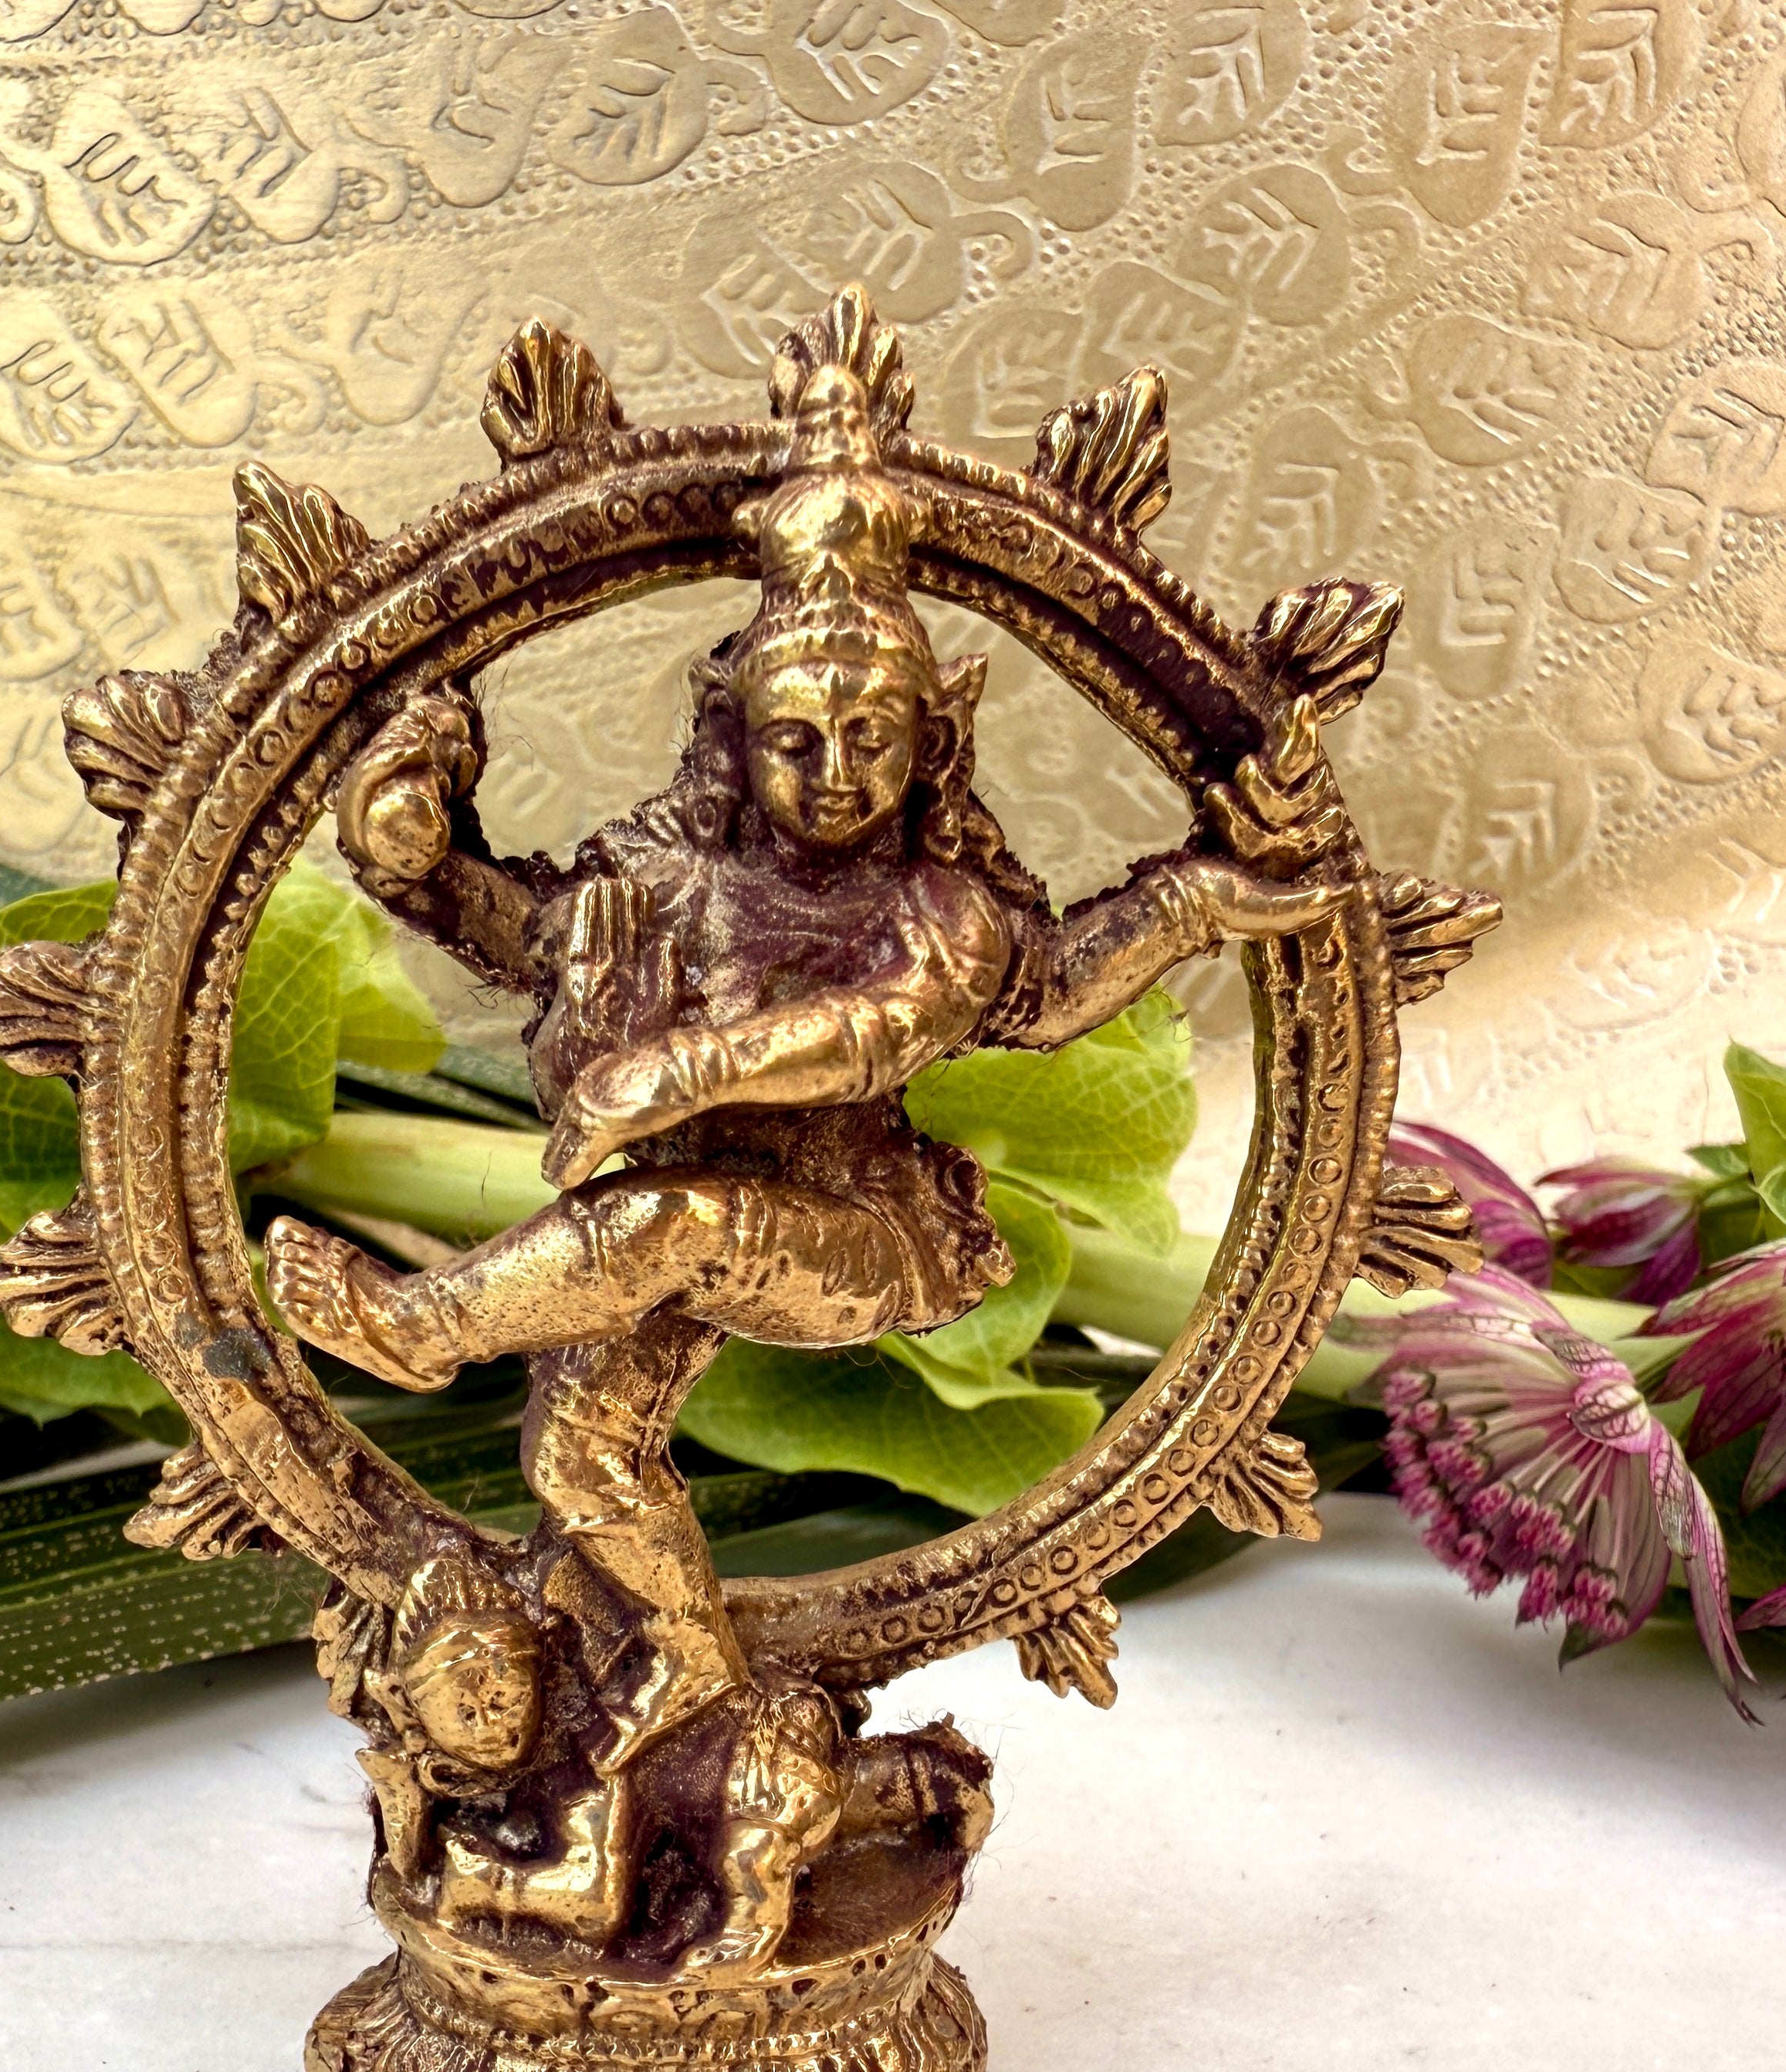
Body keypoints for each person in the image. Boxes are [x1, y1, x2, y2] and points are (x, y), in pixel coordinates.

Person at [267, 361, 1341, 1971]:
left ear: (928, 742)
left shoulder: (938, 908)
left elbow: (882, 1029)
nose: (836, 771)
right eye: (796, 739)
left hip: (856, 1237)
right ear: (735, 737)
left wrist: (1199, 892)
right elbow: (534, 940)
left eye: (871, 738)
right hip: (666, 1221)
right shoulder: (674, 881)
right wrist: (417, 860)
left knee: (670, 1216)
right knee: (577, 1462)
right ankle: (687, 1664)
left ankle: (419, 1330)